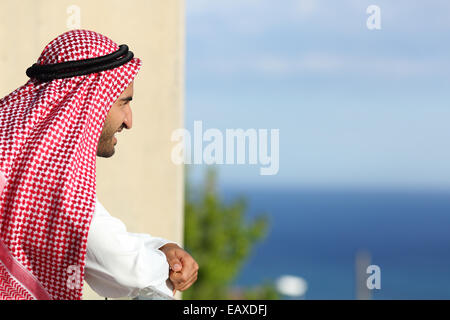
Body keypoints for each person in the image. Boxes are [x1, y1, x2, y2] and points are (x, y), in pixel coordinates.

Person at [0, 29, 198, 300]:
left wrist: (160, 246)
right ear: (88, 103)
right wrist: (167, 263)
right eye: (123, 103)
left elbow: (94, 233)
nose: (129, 120)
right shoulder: (47, 175)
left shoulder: (19, 155)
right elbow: (126, 270)